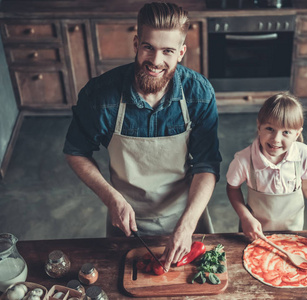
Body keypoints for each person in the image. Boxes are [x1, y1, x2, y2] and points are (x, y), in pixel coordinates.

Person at [63, 2, 221, 271]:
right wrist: (111, 198)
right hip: (126, 217)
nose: (156, 61)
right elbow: (76, 152)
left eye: (168, 51)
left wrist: (188, 223)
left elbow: (207, 164)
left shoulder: (199, 93)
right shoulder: (101, 96)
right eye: (149, 47)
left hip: (185, 213)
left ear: (181, 52)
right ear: (136, 43)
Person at [226, 92, 307, 240]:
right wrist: (245, 217)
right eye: (270, 129)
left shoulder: (304, 154)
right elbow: (232, 189)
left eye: (286, 132)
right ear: (259, 126)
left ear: (297, 133)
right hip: (256, 232)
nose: (276, 139)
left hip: (293, 231)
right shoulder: (244, 159)